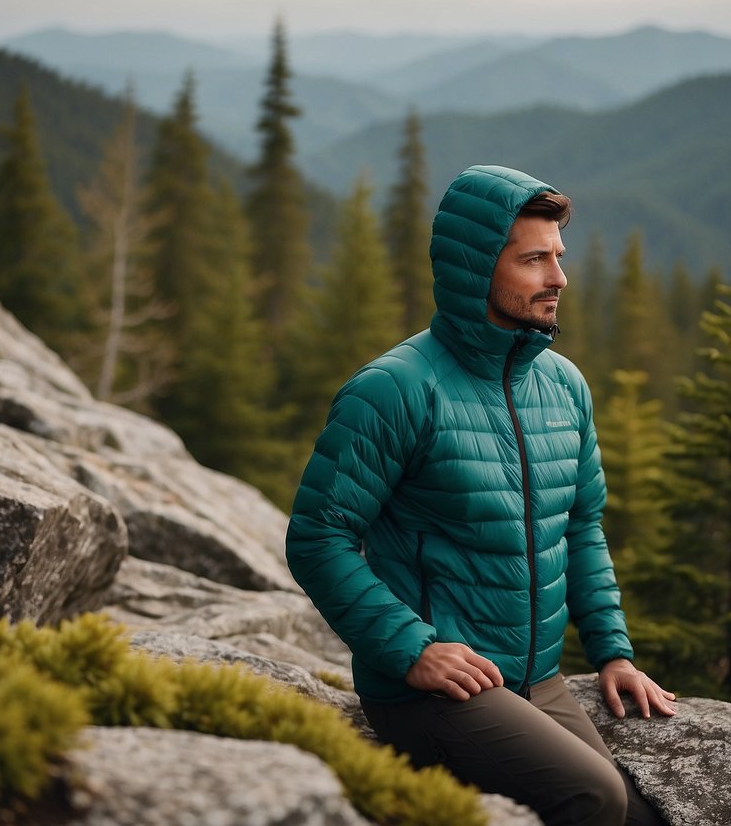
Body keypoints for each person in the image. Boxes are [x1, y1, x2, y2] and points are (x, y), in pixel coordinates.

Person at [286, 165, 676, 826]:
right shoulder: (395, 389)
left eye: (558, 256)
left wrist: (612, 652)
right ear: (475, 269)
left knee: (638, 818)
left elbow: (579, 526)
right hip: (432, 692)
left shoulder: (562, 386)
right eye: (533, 260)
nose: (558, 278)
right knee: (593, 797)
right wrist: (410, 648)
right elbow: (317, 537)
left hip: (533, 679)